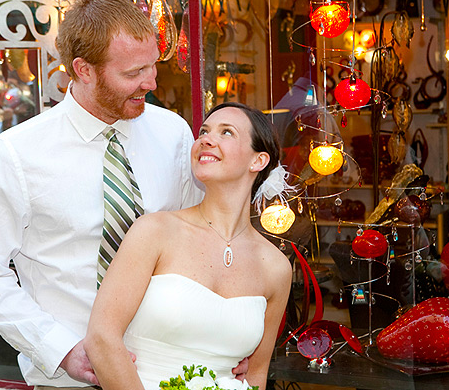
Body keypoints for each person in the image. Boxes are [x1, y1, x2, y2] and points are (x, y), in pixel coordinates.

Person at [0, 0, 206, 388]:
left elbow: (198, 246)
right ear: (83, 70)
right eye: (133, 73)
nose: (151, 82)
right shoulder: (17, 153)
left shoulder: (172, 133)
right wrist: (60, 349)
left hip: (171, 372)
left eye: (153, 67)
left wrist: (221, 341)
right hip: (68, 382)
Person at [84, 102, 293, 390]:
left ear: (257, 161)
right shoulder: (156, 231)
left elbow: (256, 375)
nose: (206, 139)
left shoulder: (276, 267)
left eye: (227, 133)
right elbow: (101, 338)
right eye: (204, 131)